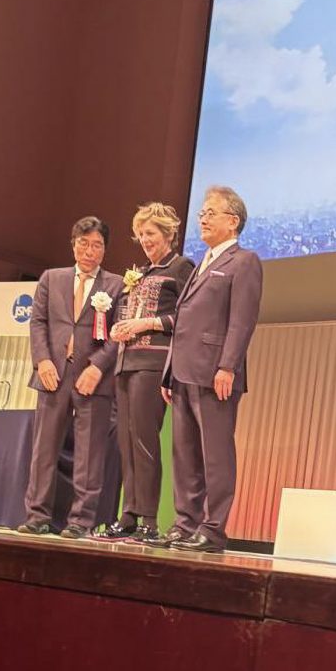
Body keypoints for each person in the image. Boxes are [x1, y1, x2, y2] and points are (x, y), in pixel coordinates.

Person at [153, 186, 263, 553]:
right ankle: (185, 523)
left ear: (233, 221)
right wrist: (168, 371)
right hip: (183, 372)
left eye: (210, 212)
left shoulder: (244, 261)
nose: (202, 218)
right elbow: (184, 321)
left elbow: (242, 320)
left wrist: (227, 366)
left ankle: (213, 528)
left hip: (215, 374)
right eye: (202, 213)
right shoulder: (201, 263)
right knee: (184, 455)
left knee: (215, 454)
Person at [18, 217, 123, 539]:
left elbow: (119, 333)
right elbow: (38, 322)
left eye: (97, 245)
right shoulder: (51, 278)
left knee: (89, 455)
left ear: (105, 249)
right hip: (53, 375)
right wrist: (43, 361)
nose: (90, 251)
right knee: (44, 449)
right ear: (73, 244)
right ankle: (37, 515)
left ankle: (81, 520)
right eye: (84, 243)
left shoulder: (117, 285)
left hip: (93, 378)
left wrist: (98, 367)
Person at [94, 203, 194, 543]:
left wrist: (147, 323)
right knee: (126, 441)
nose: (145, 240)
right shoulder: (139, 272)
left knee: (144, 441)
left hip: (153, 364)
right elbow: (127, 314)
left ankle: (149, 520)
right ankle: (129, 515)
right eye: (140, 234)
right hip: (126, 363)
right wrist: (119, 328)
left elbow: (188, 317)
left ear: (167, 233)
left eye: (150, 233)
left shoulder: (181, 267)